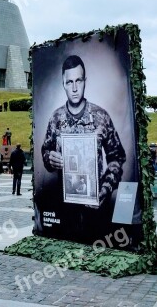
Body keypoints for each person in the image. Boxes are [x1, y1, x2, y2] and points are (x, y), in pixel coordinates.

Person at [39, 54, 126, 243]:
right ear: (63, 84)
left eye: (78, 80)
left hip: (96, 209)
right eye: (69, 82)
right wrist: (50, 158)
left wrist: (105, 188)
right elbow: (45, 151)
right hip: (64, 208)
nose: (75, 88)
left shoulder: (101, 116)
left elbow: (117, 157)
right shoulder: (56, 118)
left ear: (85, 81)